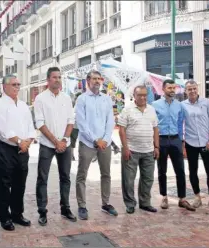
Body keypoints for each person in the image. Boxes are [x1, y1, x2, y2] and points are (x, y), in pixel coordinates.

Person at [0, 75, 35, 231]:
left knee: (19, 183)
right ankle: (4, 217)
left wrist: (28, 141)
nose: (17, 87)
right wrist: (18, 141)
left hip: (23, 149)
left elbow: (30, 125)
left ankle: (17, 214)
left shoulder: (23, 105)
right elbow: (3, 129)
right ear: (4, 87)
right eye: (14, 84)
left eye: (18, 84)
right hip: (5, 148)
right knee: (3, 184)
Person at [34, 67, 76, 226]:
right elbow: (40, 123)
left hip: (65, 144)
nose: (57, 80)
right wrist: (55, 142)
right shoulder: (40, 99)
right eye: (54, 77)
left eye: (59, 77)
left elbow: (71, 120)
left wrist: (64, 140)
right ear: (48, 79)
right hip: (47, 144)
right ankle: (42, 211)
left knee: (65, 177)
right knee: (42, 178)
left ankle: (65, 208)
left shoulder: (66, 98)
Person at [75, 70, 117, 220]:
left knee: (106, 174)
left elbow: (110, 121)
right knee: (82, 175)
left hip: (105, 143)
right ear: (88, 80)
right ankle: (82, 206)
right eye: (94, 79)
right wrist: (95, 140)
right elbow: (81, 123)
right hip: (88, 142)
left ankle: (106, 203)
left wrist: (105, 139)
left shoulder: (106, 99)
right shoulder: (82, 99)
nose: (97, 81)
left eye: (99, 79)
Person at [152, 79, 195, 211]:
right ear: (163, 89)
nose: (172, 90)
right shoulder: (154, 105)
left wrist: (182, 142)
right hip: (162, 140)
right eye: (169, 88)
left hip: (176, 139)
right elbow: (152, 125)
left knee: (180, 170)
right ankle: (164, 197)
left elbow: (180, 124)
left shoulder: (179, 105)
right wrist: (155, 144)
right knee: (162, 170)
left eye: (173, 88)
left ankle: (182, 198)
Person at [118, 85, 159, 214]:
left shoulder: (151, 110)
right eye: (139, 95)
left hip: (148, 150)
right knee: (128, 179)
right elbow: (122, 130)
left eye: (144, 95)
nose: (142, 97)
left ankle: (145, 203)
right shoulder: (127, 109)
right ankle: (130, 204)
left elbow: (155, 128)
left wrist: (156, 146)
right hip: (132, 151)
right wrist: (125, 148)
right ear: (134, 96)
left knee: (148, 179)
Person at [182, 80, 209, 211]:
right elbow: (181, 124)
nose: (192, 91)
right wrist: (183, 143)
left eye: (194, 88)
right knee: (193, 171)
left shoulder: (207, 103)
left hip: (206, 142)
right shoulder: (183, 105)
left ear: (197, 89)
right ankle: (197, 197)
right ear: (185, 91)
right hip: (190, 142)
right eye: (189, 89)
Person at [70, 92, 82, 161]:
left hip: (75, 125)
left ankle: (72, 156)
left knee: (73, 141)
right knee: (74, 141)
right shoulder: (80, 102)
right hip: (76, 125)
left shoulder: (75, 103)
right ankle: (72, 155)